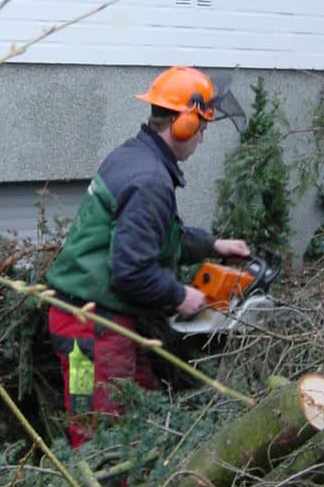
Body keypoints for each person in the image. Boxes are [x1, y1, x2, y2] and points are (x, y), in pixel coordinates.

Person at [46, 66, 250, 447]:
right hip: (90, 332)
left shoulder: (135, 157)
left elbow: (156, 237)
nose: (202, 137)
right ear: (183, 125)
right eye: (202, 127)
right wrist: (180, 296)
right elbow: (132, 270)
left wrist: (213, 245)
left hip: (90, 321)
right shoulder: (151, 180)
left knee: (145, 413)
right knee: (102, 439)